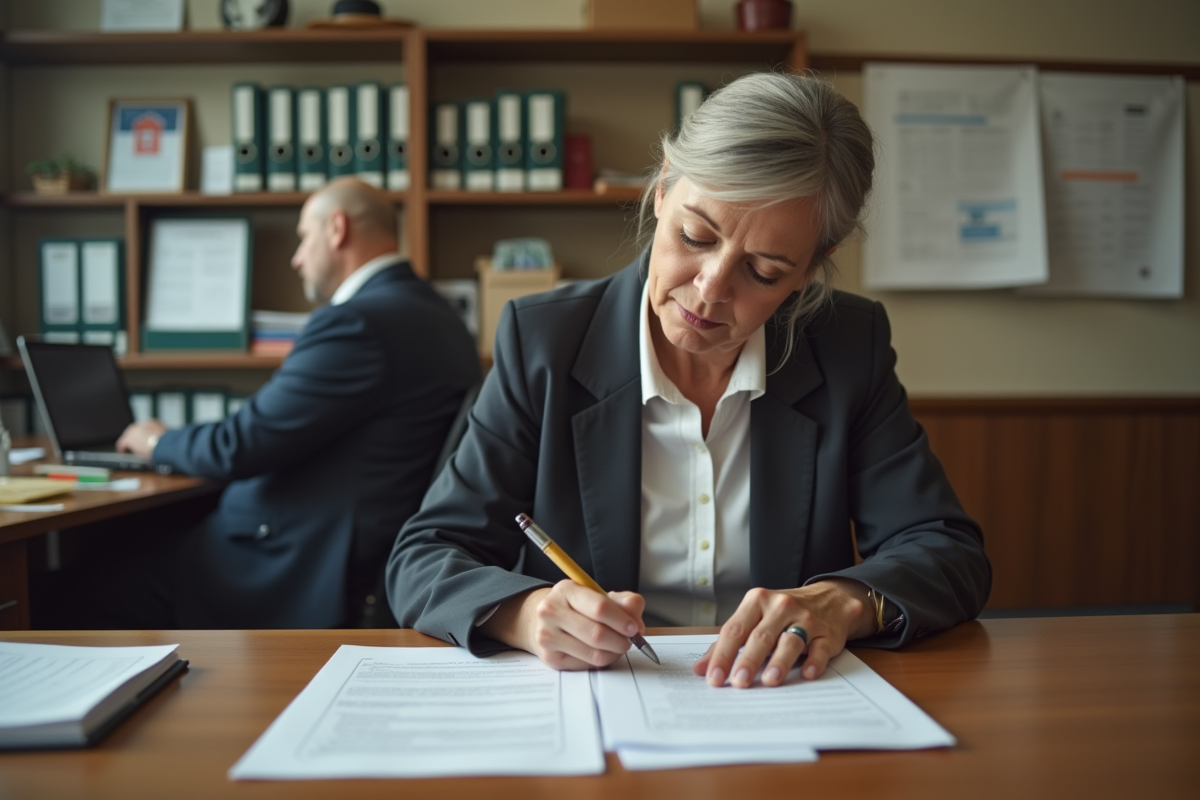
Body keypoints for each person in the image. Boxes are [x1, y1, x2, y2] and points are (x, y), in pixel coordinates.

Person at [386, 73, 991, 687]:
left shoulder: (846, 348)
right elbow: (425, 556)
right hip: (604, 705)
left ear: (810, 270)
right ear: (662, 188)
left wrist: (843, 601)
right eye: (695, 236)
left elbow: (949, 553)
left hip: (777, 701)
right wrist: (526, 611)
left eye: (763, 271)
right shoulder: (544, 340)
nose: (710, 290)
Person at [33, 178, 480, 629]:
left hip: (288, 563)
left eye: (304, 237)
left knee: (81, 584)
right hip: (352, 547)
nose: (296, 258)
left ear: (337, 229)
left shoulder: (356, 323)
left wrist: (158, 441)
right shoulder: (442, 318)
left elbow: (241, 443)